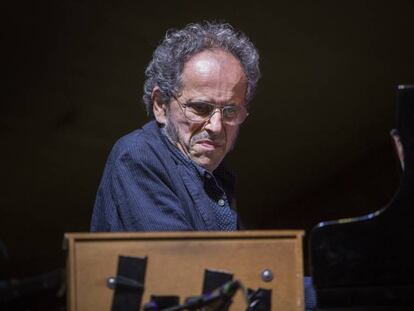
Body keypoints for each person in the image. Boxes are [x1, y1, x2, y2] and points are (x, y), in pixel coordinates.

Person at [90, 22, 260, 232]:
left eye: (230, 111)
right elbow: (179, 260)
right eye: (200, 108)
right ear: (160, 104)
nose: (216, 127)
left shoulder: (218, 175)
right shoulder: (137, 155)